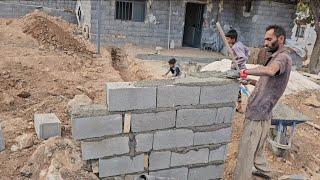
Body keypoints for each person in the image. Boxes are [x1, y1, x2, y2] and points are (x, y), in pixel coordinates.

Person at [233, 25, 292, 180]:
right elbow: (268, 81)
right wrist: (250, 80)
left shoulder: (283, 58)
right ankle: (266, 174)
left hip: (258, 114)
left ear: (280, 39)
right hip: (264, 113)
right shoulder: (276, 57)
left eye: (269, 39)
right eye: (265, 38)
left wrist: (243, 71)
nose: (265, 43)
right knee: (257, 151)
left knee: (246, 153)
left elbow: (270, 71)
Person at [225, 29, 250, 113]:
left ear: (233, 39)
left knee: (238, 87)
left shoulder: (236, 46)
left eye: (228, 39)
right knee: (240, 86)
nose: (227, 40)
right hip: (242, 68)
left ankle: (240, 106)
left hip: (238, 70)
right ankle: (239, 106)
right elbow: (247, 51)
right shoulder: (240, 44)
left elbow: (243, 57)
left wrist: (235, 64)